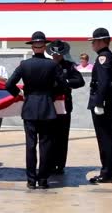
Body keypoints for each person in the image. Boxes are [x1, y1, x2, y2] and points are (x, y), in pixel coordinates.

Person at [6, 31, 66, 190]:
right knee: (46, 145)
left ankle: (31, 180)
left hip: (30, 106)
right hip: (47, 107)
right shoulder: (53, 65)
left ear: (33, 47)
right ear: (45, 47)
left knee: (30, 145)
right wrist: (51, 95)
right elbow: (63, 86)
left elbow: (8, 85)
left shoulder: (24, 65)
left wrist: (20, 94)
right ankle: (43, 179)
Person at [46, 39, 85, 175]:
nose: (56, 56)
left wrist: (65, 81)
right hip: (49, 106)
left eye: (59, 54)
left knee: (62, 137)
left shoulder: (69, 66)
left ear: (63, 54)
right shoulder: (47, 65)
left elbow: (80, 81)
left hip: (64, 105)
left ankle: (60, 165)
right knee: (49, 136)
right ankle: (49, 163)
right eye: (54, 54)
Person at [87, 27, 112, 184]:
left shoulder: (104, 57)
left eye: (94, 41)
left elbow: (104, 82)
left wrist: (99, 103)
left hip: (104, 104)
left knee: (105, 138)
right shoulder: (105, 56)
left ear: (100, 41)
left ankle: (107, 173)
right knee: (105, 138)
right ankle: (107, 171)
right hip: (106, 102)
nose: (92, 44)